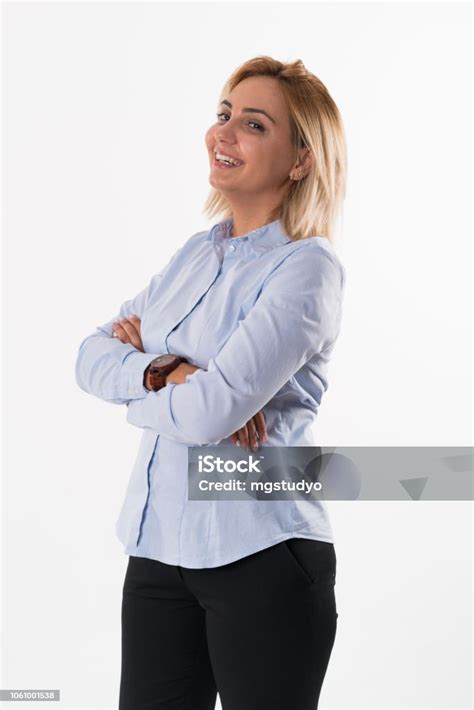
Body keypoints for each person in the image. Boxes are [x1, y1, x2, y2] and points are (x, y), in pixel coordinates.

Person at [75, 55, 347, 710]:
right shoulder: (197, 254)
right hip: (158, 550)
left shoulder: (305, 269)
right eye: (223, 114)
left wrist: (145, 377)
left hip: (261, 555)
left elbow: (206, 417)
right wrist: (170, 371)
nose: (222, 133)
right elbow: (87, 357)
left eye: (253, 124)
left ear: (300, 160)